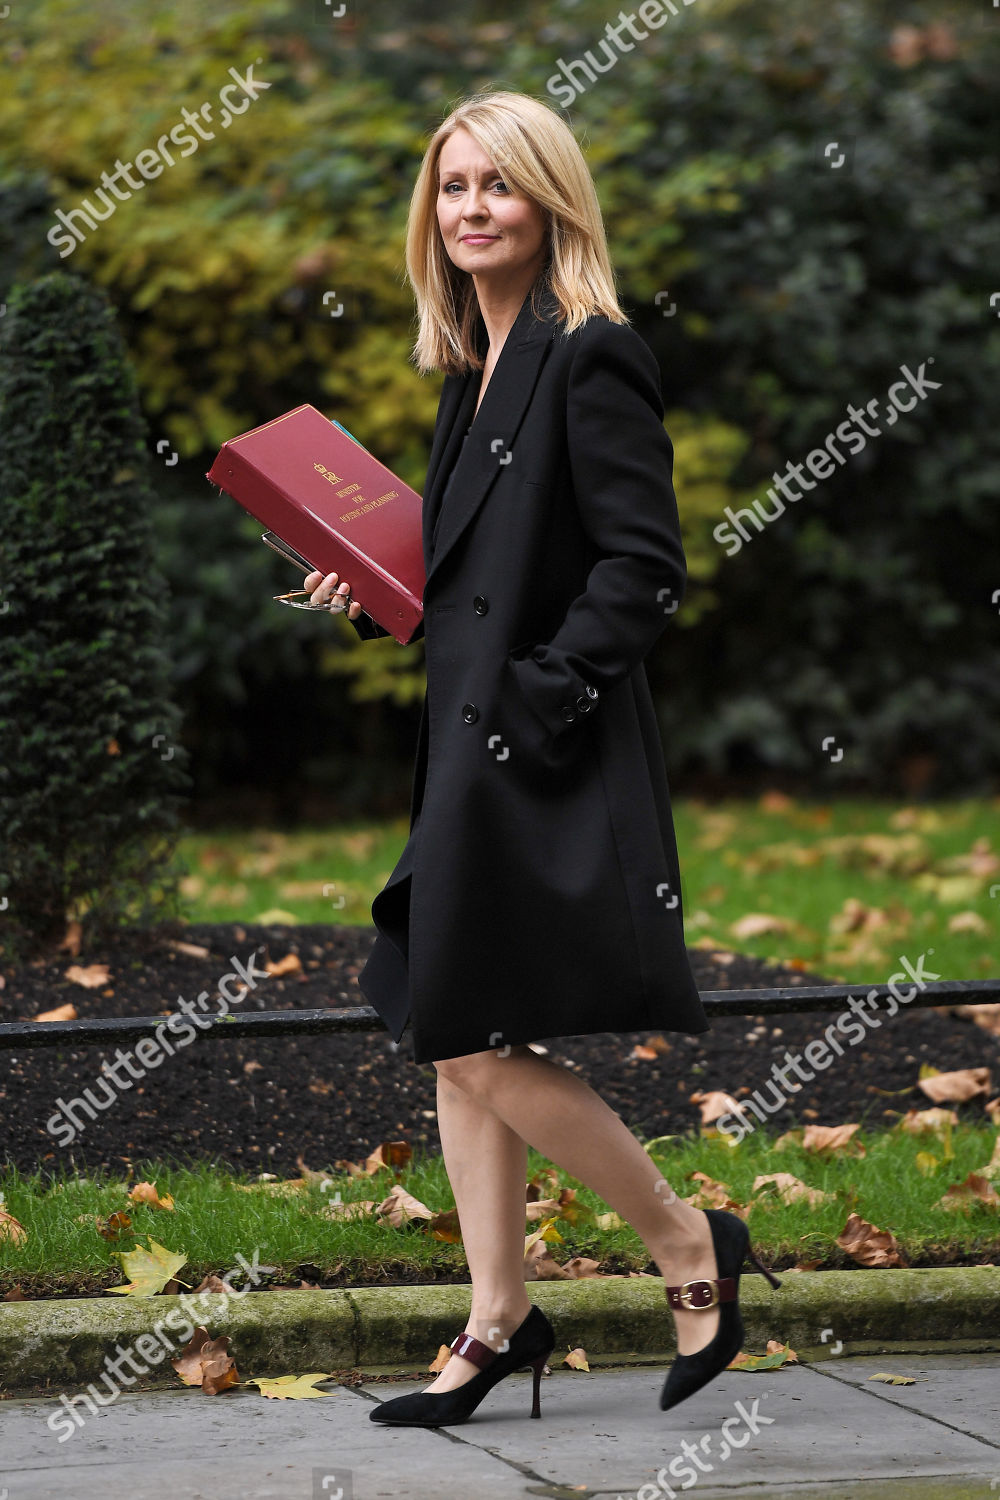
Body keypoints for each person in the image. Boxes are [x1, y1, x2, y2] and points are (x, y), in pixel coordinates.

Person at [304, 89, 780, 1426]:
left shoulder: (591, 351)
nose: (470, 210)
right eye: (452, 189)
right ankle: (499, 1316)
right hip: (468, 746)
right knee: (456, 1030)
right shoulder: (474, 363)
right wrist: (381, 594)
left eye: (496, 187)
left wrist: (532, 703)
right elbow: (479, 581)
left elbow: (643, 572)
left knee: (454, 1021)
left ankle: (691, 1244)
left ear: (550, 200)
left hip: (534, 748)